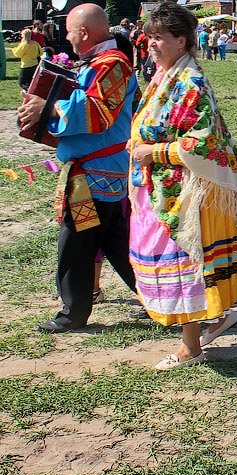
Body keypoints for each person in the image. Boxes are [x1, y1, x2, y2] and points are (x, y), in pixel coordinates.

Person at [128, 2, 237, 370]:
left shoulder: (190, 82)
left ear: (181, 41)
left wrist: (156, 150)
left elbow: (202, 141)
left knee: (184, 265)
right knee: (179, 263)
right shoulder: (165, 75)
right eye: (148, 37)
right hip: (158, 186)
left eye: (158, 38)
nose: (150, 44)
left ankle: (191, 347)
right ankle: (215, 318)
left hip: (180, 193)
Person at [16, 3, 138, 333]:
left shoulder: (112, 64)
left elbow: (97, 114)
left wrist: (49, 106)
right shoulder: (101, 63)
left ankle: (74, 313)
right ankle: (159, 298)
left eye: (69, 30)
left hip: (96, 175)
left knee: (77, 242)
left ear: (83, 33)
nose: (66, 37)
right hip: (96, 173)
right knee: (115, 242)